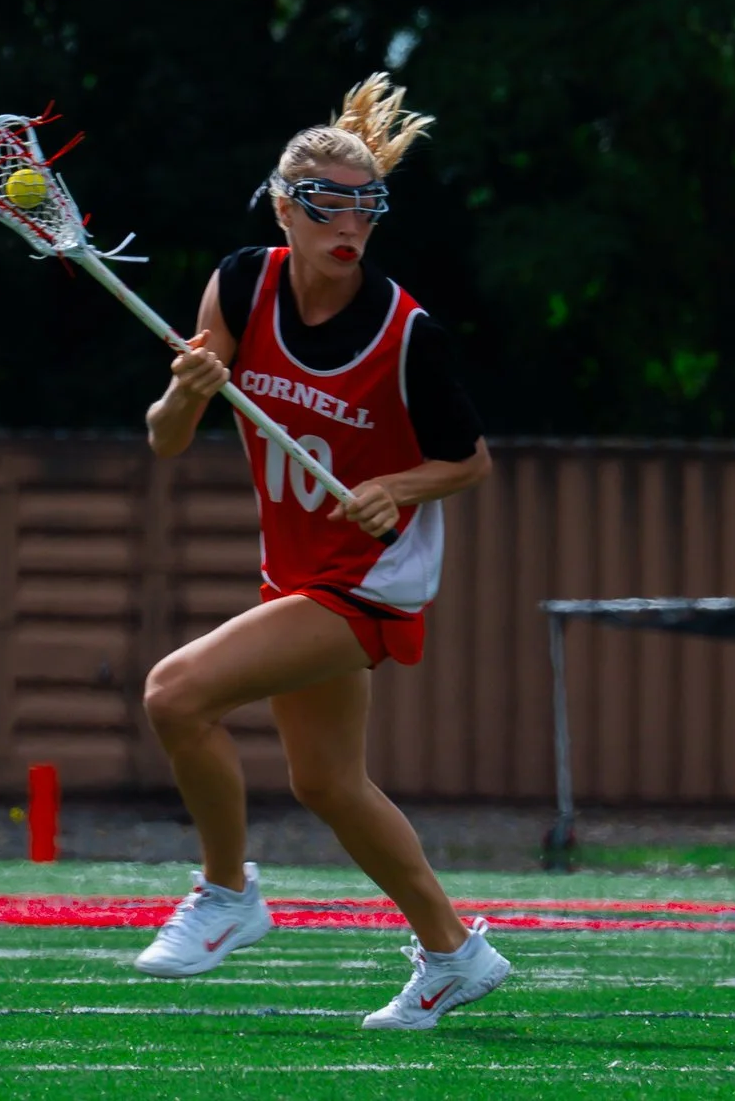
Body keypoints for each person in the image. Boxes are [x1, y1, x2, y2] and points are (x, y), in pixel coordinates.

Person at [134, 73, 511, 1030]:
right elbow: (167, 440)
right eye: (326, 205)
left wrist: (399, 487)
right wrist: (190, 389)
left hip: (373, 578)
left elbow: (470, 462)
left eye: (366, 206)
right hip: (297, 565)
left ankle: (227, 894)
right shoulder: (241, 283)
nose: (349, 226)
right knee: (328, 782)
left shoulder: (403, 328)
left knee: (175, 695)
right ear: (282, 206)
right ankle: (453, 954)